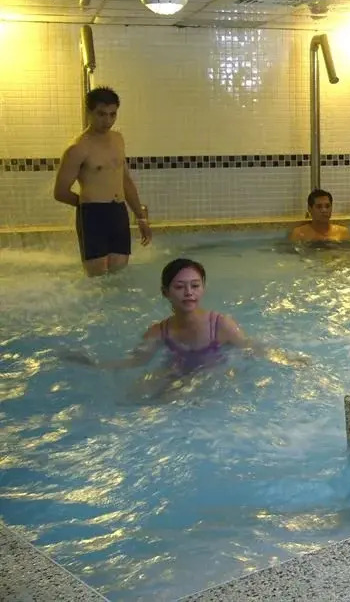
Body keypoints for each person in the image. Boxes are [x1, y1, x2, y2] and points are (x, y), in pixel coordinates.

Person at [63, 258, 307, 392]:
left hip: (213, 375)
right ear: (165, 292)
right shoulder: (159, 332)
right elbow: (135, 362)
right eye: (179, 287)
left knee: (182, 394)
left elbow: (251, 347)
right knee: (136, 399)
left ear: (203, 288)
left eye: (195, 286)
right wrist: (94, 365)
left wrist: (290, 360)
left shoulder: (221, 325)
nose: (189, 293)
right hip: (177, 373)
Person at [53, 87, 152, 276]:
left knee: (119, 275)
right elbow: (60, 192)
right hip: (92, 215)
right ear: (89, 112)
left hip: (118, 211)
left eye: (112, 114)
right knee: (97, 279)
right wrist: (87, 204)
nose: (107, 121)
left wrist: (141, 217)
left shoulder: (118, 140)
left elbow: (125, 180)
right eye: (101, 114)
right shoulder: (78, 148)